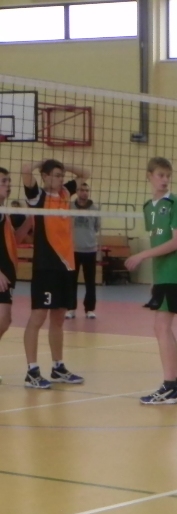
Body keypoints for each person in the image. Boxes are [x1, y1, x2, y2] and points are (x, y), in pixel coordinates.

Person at [124, 157, 177, 405]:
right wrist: (155, 278)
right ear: (149, 176)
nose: (164, 180)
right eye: (160, 175)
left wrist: (141, 255)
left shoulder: (176, 204)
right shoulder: (148, 207)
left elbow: (176, 242)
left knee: (161, 328)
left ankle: (169, 386)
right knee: (163, 328)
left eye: (167, 176)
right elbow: (157, 240)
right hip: (163, 275)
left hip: (175, 273)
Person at [21, 159, 89, 389]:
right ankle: (32, 371)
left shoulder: (65, 194)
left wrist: (64, 166)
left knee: (58, 318)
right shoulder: (37, 196)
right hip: (46, 266)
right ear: (45, 177)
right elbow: (25, 170)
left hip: (66, 266)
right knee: (38, 317)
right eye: (56, 175)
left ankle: (58, 367)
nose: (61, 179)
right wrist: (44, 163)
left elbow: (85, 173)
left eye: (62, 176)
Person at [0, 167, 28, 386]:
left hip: (7, 274)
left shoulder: (5, 213)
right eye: (3, 181)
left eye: (9, 181)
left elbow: (15, 240)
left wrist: (31, 220)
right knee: (2, 318)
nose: (8, 185)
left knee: (5, 320)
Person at [68, 181, 101, 319]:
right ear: (76, 192)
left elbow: (96, 227)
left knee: (90, 282)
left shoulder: (95, 209)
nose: (84, 193)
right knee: (71, 281)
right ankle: (71, 309)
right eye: (81, 190)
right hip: (72, 250)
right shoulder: (69, 207)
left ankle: (90, 309)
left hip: (90, 250)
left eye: (87, 190)